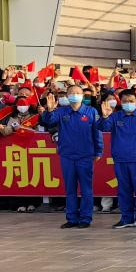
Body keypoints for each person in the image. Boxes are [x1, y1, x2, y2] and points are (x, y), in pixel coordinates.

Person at [42, 85, 103, 228]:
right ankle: (72, 218)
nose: (74, 95)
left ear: (82, 96)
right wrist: (49, 110)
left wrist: (98, 151)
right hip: (67, 155)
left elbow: (97, 132)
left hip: (85, 155)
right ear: (67, 96)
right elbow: (49, 121)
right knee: (70, 188)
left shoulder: (91, 111)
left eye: (77, 93)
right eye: (71, 93)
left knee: (86, 188)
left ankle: (85, 218)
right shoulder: (62, 111)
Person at [98, 89, 136, 229]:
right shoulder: (115, 116)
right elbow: (103, 127)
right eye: (125, 101)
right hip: (120, 159)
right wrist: (105, 116)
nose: (128, 104)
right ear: (121, 102)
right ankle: (127, 219)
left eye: (131, 101)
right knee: (123, 190)